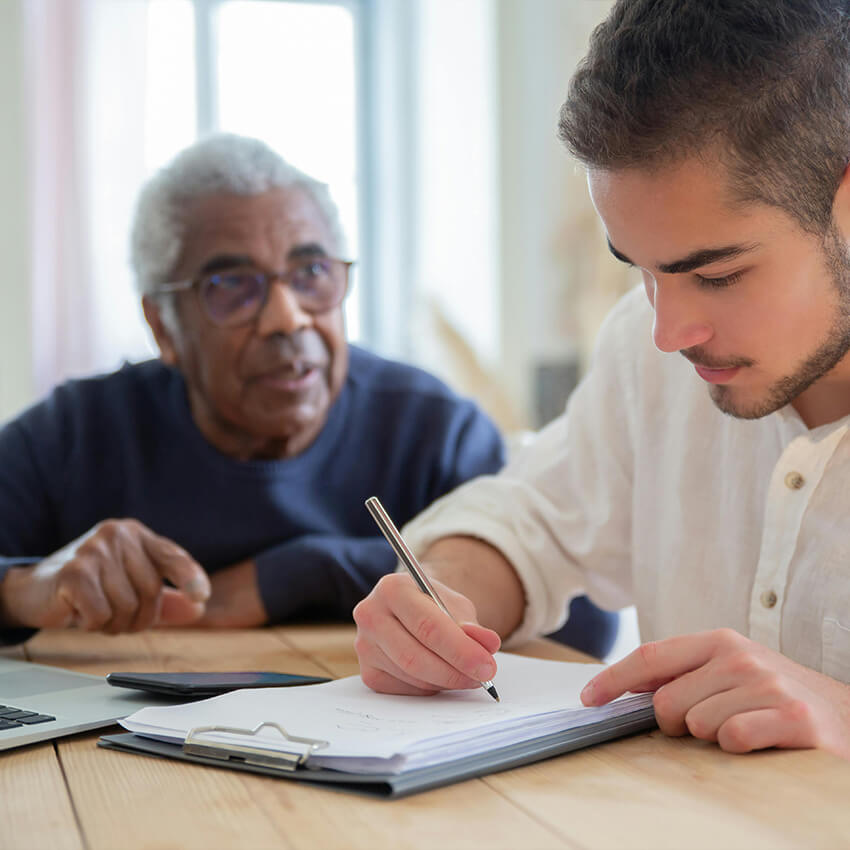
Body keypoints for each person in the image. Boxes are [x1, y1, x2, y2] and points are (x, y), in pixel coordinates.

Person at [352, 0, 850, 760]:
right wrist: (437, 600)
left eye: (715, 275)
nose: (666, 331)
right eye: (639, 269)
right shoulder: (644, 351)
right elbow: (532, 520)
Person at [0, 133, 614, 655]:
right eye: (233, 285)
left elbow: (583, 616)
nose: (287, 319)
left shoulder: (429, 429)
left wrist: (301, 572)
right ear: (162, 325)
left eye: (312, 273)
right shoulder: (78, 433)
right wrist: (25, 587)